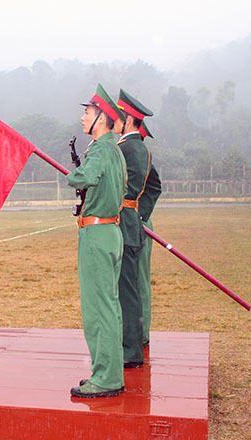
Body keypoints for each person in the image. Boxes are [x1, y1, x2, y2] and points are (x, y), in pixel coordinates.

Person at [67, 84, 127, 398]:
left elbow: (84, 177)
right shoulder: (115, 151)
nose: (82, 117)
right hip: (111, 231)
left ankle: (105, 378)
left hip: (96, 232)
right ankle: (110, 370)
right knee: (110, 306)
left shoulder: (102, 150)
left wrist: (71, 175)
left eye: (87, 112)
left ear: (101, 119)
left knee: (97, 309)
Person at [112, 89, 154, 368]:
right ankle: (135, 339)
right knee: (133, 285)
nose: (112, 121)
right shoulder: (142, 149)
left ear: (127, 120)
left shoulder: (125, 149)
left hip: (125, 223)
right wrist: (141, 214)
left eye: (116, 117)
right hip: (133, 221)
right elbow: (155, 186)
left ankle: (131, 347)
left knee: (127, 288)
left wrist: (135, 214)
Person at [136, 121, 162, 347]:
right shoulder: (123, 151)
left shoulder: (143, 155)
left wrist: (140, 215)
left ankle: (142, 334)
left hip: (139, 224)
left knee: (140, 280)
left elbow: (155, 186)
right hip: (123, 223)